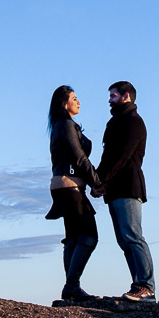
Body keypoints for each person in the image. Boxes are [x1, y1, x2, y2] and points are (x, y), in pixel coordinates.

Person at [91, 80, 155, 302]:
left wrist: (101, 180)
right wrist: (97, 181)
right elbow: (107, 157)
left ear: (126, 96)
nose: (110, 100)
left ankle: (147, 287)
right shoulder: (114, 123)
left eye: (113, 96)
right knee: (124, 240)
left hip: (129, 186)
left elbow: (123, 157)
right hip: (114, 189)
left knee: (133, 236)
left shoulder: (134, 122)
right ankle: (138, 285)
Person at [44, 85, 102, 302]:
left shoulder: (59, 126)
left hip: (63, 187)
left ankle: (71, 288)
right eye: (74, 98)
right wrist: (97, 182)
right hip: (70, 188)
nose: (78, 102)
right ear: (63, 103)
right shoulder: (66, 125)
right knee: (88, 236)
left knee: (73, 238)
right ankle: (72, 285)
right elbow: (79, 159)